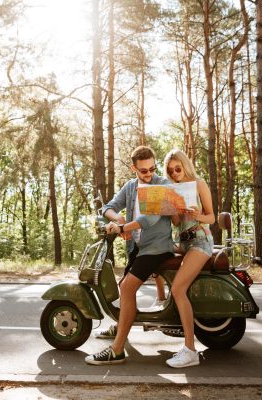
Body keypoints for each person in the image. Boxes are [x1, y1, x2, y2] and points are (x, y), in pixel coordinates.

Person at [85, 145, 174, 365]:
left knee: (126, 287)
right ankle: (121, 325)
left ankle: (117, 350)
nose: (149, 173)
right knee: (124, 284)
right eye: (144, 170)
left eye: (152, 168)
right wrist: (119, 219)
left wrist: (124, 229)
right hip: (137, 248)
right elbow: (108, 207)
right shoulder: (131, 186)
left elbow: (150, 219)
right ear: (134, 168)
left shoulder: (161, 184)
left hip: (157, 248)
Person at [163, 148, 215, 368]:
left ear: (185, 165)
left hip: (201, 240)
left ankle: (190, 350)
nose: (175, 173)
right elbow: (176, 223)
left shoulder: (199, 184)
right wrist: (171, 210)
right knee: (154, 254)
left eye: (178, 168)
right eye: (170, 171)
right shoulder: (173, 189)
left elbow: (211, 217)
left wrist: (197, 215)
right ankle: (161, 304)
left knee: (178, 289)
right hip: (184, 243)